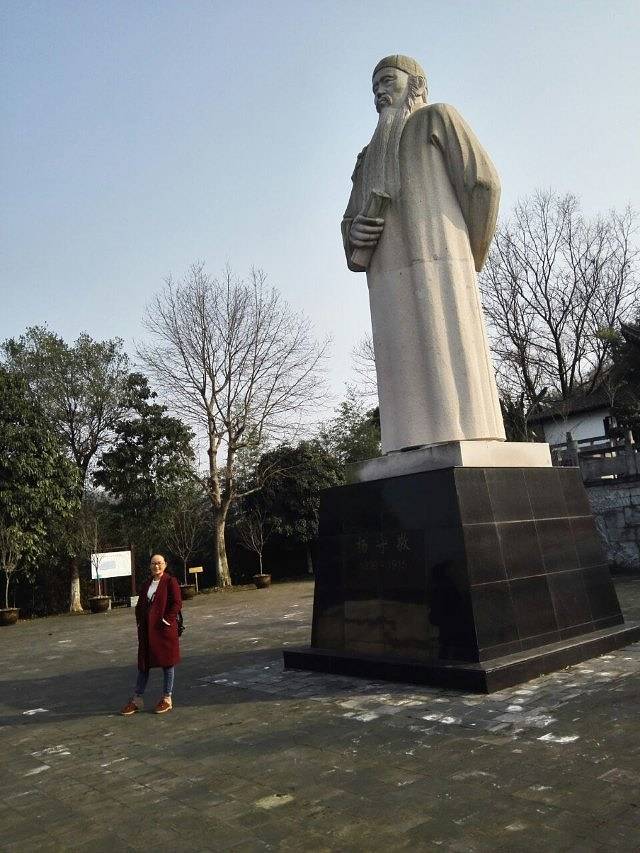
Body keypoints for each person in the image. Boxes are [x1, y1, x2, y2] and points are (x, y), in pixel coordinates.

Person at [342, 54, 506, 453]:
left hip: (443, 265)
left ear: (415, 83)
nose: (380, 90)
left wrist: (468, 253)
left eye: (388, 80)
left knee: (454, 359)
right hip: (386, 280)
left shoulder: (438, 118)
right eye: (375, 85)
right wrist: (354, 234)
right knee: (401, 370)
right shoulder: (367, 157)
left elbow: (483, 182)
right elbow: (349, 219)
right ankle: (405, 444)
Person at [120, 554, 182, 715]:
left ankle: (167, 698)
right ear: (150, 566)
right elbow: (140, 605)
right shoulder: (147, 584)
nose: (156, 566)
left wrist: (166, 620)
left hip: (164, 631)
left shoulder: (170, 581)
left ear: (165, 565)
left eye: (160, 563)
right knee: (144, 665)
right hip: (147, 632)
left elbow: (177, 603)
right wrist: (140, 622)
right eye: (154, 563)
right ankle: (137, 699)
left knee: (167, 664)